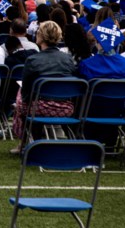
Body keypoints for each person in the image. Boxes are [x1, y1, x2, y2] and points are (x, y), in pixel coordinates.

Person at [10, 21, 77, 154]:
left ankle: (26, 142)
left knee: (21, 99)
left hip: (38, 108)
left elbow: (26, 92)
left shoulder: (33, 60)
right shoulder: (68, 59)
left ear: (40, 36)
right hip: (66, 108)